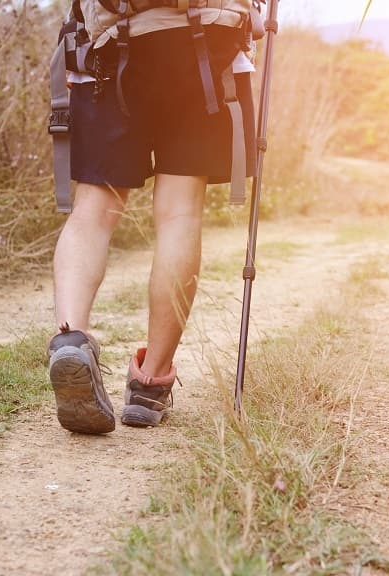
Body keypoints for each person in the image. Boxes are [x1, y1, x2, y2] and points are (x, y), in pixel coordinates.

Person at [47, 1, 255, 434]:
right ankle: (150, 383)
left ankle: (71, 340)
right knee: (179, 213)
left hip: (113, 45)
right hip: (207, 43)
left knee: (93, 210)